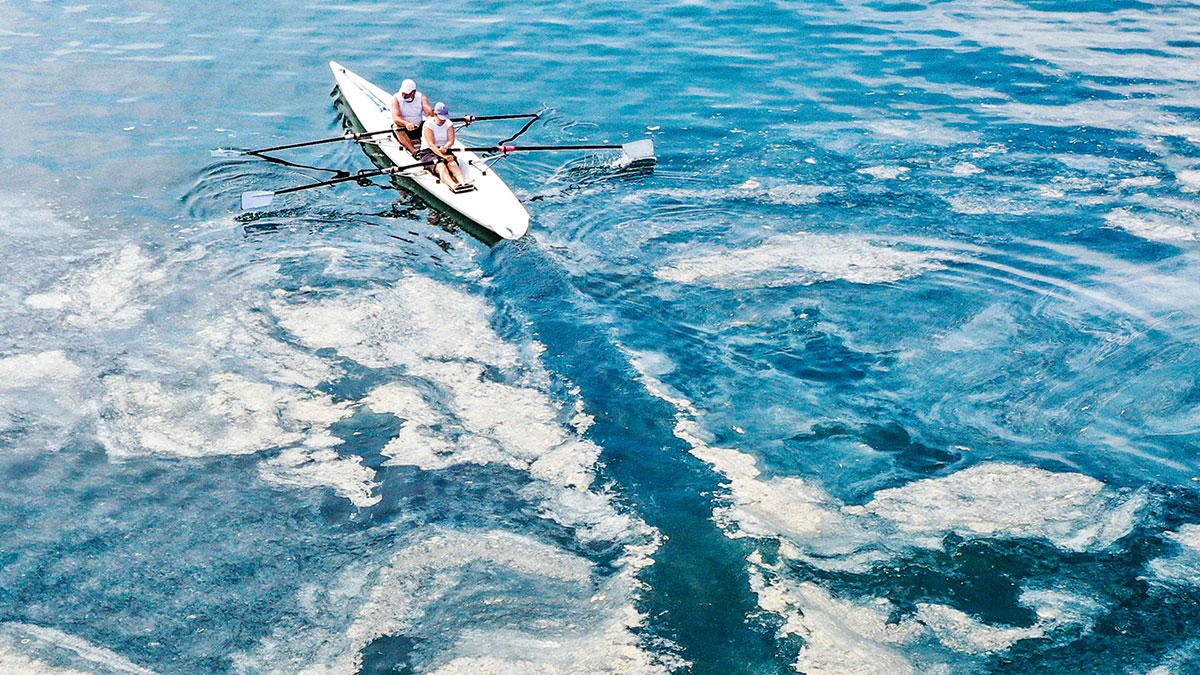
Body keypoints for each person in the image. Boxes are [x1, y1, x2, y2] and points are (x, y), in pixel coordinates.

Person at [419, 101, 471, 191]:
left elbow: (451, 140)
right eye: (441, 118)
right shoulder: (428, 125)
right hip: (428, 151)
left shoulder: (449, 124)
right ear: (435, 114)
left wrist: (446, 146)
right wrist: (443, 156)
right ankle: (453, 186)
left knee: (452, 163)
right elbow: (431, 145)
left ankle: (463, 183)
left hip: (444, 149)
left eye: (444, 118)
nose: (443, 120)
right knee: (441, 166)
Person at [391, 78, 434, 155]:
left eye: (406, 94)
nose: (404, 95)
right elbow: (396, 118)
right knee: (396, 126)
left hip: (418, 127)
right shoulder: (396, 98)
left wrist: (430, 120)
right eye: (403, 93)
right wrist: (407, 124)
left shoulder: (421, 98)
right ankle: (413, 150)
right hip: (403, 129)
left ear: (413, 92)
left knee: (431, 122)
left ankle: (432, 145)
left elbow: (431, 113)